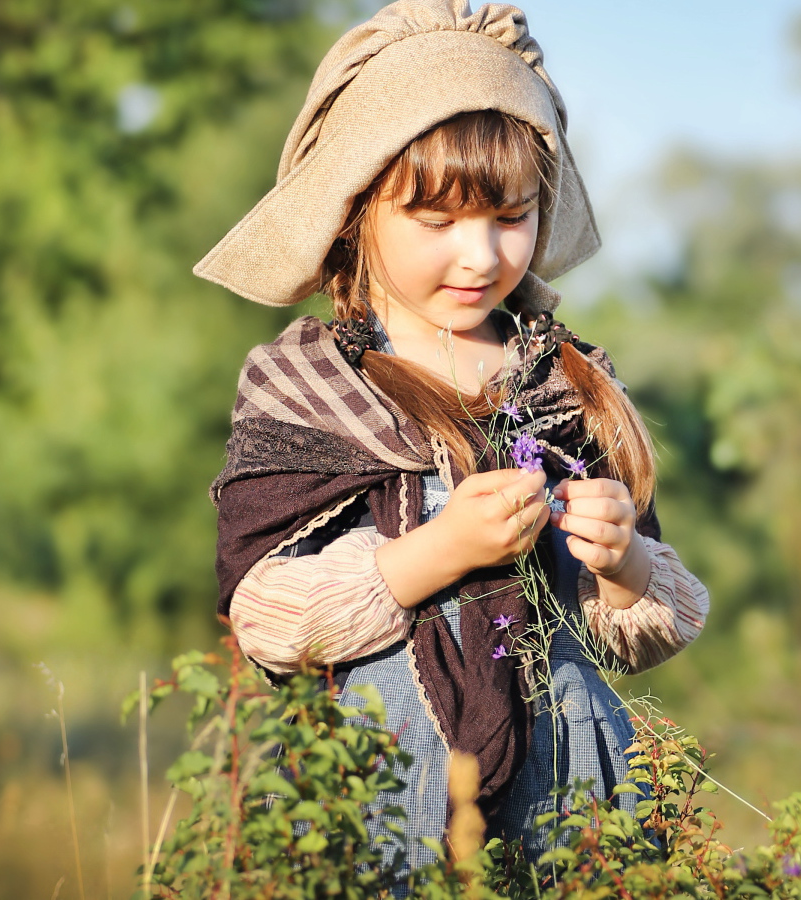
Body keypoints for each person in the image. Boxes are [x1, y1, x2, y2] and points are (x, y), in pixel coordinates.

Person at [196, 0, 710, 879]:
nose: (481, 256)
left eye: (510, 216)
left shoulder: (563, 375)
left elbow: (644, 633)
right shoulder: (309, 382)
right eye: (438, 222)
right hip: (382, 771)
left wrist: (622, 562)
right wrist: (437, 552)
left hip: (569, 780)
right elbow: (265, 618)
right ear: (358, 210)